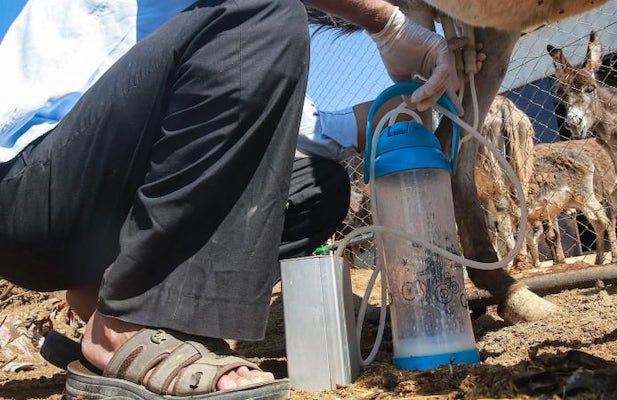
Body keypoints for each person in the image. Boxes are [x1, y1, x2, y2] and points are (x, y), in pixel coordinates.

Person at [0, 0, 461, 398]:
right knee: (269, 17)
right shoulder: (237, 23)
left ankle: (114, 300)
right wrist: (387, 24)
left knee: (316, 186)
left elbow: (266, 119)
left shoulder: (213, 34)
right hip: (32, 184)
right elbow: (255, 36)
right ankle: (125, 325)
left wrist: (390, 111)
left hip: (93, 211)